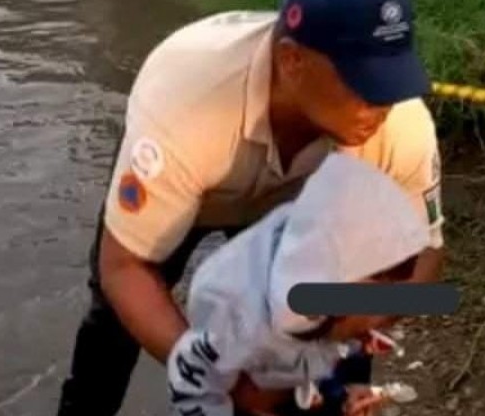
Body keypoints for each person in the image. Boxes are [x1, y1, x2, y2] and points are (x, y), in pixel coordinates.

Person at [56, 0, 445, 416]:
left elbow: (422, 259)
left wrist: (342, 328)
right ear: (292, 61)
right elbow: (125, 268)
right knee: (113, 324)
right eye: (363, 83)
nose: (381, 104)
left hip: (295, 199)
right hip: (197, 180)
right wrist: (213, 373)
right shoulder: (186, 111)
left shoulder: (398, 123)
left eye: (393, 80)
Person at [166, 152, 429, 416]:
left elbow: (339, 348)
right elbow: (192, 376)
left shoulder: (337, 305)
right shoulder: (244, 315)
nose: (382, 319)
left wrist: (346, 394)